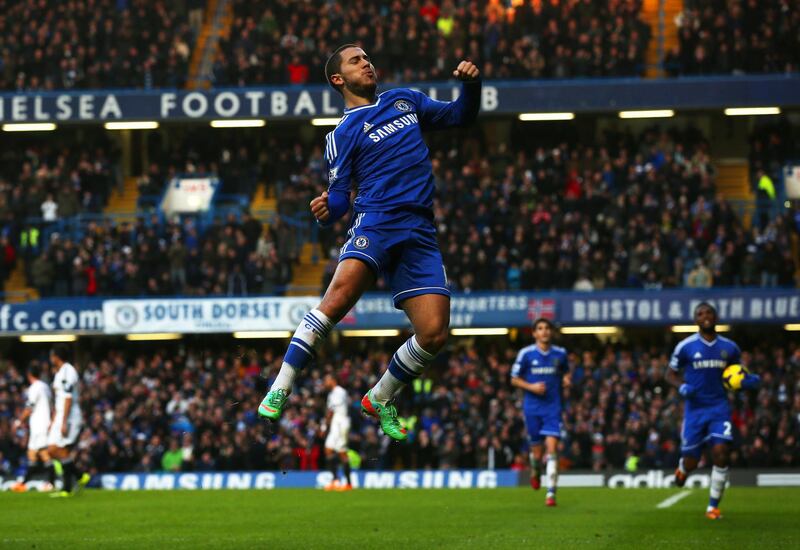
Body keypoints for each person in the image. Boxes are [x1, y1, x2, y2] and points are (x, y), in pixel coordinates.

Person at [258, 44, 481, 440]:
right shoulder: (342, 133)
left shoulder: (404, 100)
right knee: (336, 301)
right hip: (376, 223)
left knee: (434, 333)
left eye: (367, 57)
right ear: (338, 79)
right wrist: (328, 206)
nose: (367, 63)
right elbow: (342, 196)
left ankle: (380, 397)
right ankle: (280, 387)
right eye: (356, 60)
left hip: (419, 231)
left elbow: (460, 116)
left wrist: (473, 87)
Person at [668, 303, 760, 519]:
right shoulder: (685, 347)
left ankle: (713, 506)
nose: (705, 316)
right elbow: (669, 374)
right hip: (695, 410)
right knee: (692, 460)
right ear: (695, 320)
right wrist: (681, 386)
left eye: (708, 312)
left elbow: (737, 373)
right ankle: (683, 468)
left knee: (721, 452)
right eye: (700, 314)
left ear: (716, 317)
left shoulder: (730, 347)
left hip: (719, 407)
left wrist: (749, 381)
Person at [510, 318, 570, 507]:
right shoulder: (526, 354)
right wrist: (532, 387)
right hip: (532, 408)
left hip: (553, 408)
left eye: (547, 329)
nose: (544, 332)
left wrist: (567, 380)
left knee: (552, 449)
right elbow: (514, 379)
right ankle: (535, 469)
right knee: (536, 453)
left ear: (551, 333)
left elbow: (566, 372)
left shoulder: (560, 354)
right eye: (540, 329)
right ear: (535, 333)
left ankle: (551, 494)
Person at [47, 345, 89, 497]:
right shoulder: (60, 373)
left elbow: (68, 398)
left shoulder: (68, 371)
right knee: (52, 449)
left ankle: (67, 488)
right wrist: (54, 419)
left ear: (56, 357)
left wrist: (64, 421)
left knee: (61, 449)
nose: (50, 359)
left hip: (69, 416)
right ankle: (79, 476)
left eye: (52, 356)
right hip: (60, 416)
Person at [11, 363, 54, 492]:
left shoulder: (34, 388)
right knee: (32, 454)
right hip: (42, 424)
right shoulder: (46, 387)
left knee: (44, 454)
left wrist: (19, 422)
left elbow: (29, 407)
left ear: (29, 374)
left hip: (40, 425)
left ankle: (51, 483)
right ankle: (24, 483)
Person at [322, 374, 353, 491]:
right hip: (335, 423)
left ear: (333, 380)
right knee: (328, 448)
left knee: (341, 451)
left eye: (326, 380)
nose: (325, 383)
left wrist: (324, 427)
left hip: (341, 422)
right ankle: (335, 481)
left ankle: (349, 484)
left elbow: (331, 411)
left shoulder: (339, 391)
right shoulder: (331, 394)